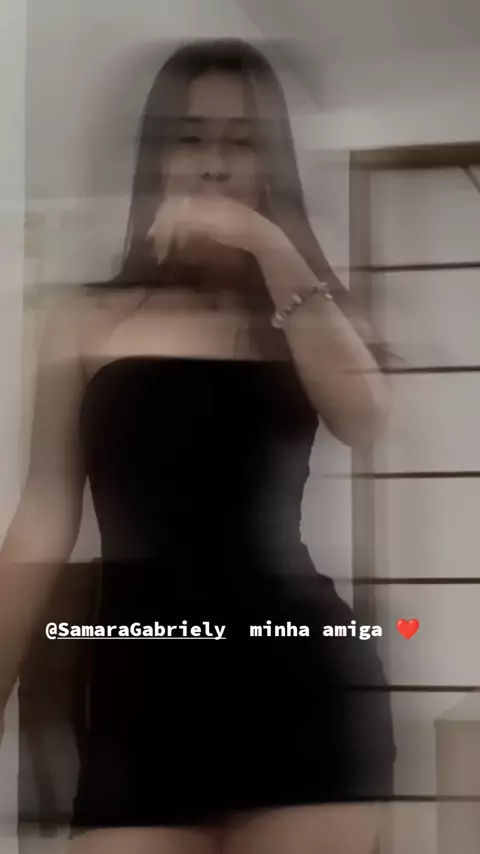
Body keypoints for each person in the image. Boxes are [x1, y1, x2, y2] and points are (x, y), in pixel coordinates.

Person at [0, 38, 396, 854]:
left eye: (242, 142)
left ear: (271, 164)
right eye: (190, 137)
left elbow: (365, 416)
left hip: (298, 682)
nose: (214, 163)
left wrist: (271, 247)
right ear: (155, 156)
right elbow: (43, 516)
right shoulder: (87, 317)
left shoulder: (300, 310)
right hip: (139, 687)